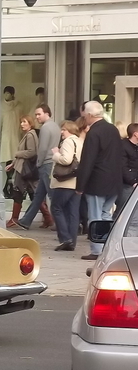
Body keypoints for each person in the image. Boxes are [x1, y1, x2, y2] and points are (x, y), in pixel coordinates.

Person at [76, 100, 123, 260]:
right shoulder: (113, 130)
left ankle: (97, 250)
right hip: (113, 180)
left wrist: (80, 185)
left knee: (95, 216)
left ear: (89, 115)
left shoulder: (94, 132)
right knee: (105, 215)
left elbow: (87, 160)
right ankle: (106, 247)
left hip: (97, 181)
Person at [13, 104, 60, 230]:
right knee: (38, 195)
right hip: (51, 162)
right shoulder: (55, 126)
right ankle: (26, 221)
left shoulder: (45, 128)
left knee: (52, 195)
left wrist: (39, 163)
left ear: (47, 113)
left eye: (39, 114)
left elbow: (43, 148)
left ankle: (61, 223)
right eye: (36, 114)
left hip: (46, 164)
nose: (37, 117)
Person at [49, 121, 84, 251]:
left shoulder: (68, 141)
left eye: (63, 129)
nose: (61, 132)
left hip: (65, 182)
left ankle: (65, 239)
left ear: (69, 129)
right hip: (76, 182)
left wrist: (56, 154)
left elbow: (66, 160)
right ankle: (72, 242)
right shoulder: (80, 141)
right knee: (73, 212)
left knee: (57, 208)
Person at [5, 115, 38, 228]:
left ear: (30, 123)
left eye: (24, 122)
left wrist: (17, 154)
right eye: (21, 122)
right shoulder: (28, 135)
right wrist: (13, 164)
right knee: (33, 193)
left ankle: (14, 219)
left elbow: (31, 152)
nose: (22, 124)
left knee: (18, 191)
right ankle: (48, 219)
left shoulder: (30, 135)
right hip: (23, 167)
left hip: (24, 169)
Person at [117, 123, 138, 212]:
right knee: (123, 211)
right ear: (135, 134)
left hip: (134, 183)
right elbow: (122, 166)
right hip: (127, 185)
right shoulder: (123, 146)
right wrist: (132, 181)